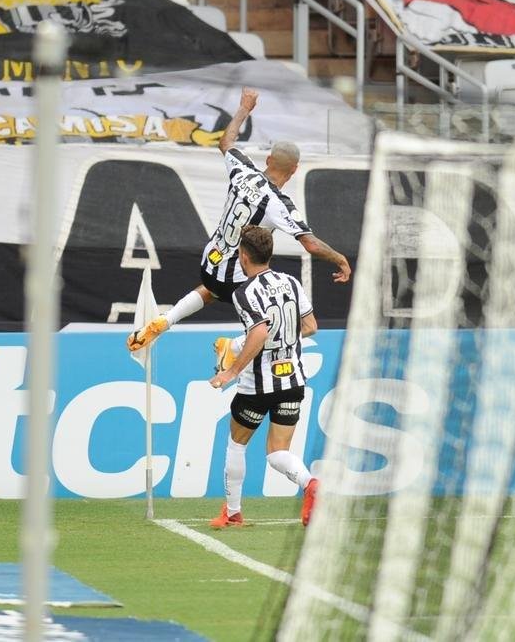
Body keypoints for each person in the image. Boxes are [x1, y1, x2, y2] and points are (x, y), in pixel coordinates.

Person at [126, 87, 350, 353]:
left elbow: (226, 142)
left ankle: (166, 319)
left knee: (211, 290)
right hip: (236, 274)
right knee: (300, 321)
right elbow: (311, 245)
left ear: (268, 159)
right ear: (295, 170)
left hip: (210, 262)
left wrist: (244, 108)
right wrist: (341, 259)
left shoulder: (242, 170)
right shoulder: (279, 204)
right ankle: (232, 348)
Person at [205, 226, 320, 528]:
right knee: (278, 452)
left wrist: (231, 369)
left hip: (257, 385)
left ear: (243, 256)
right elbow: (310, 327)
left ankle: (232, 513)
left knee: (237, 444)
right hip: (293, 381)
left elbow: (259, 331)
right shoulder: (292, 283)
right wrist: (256, 338)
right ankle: (310, 484)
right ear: (269, 253)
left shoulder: (244, 293)